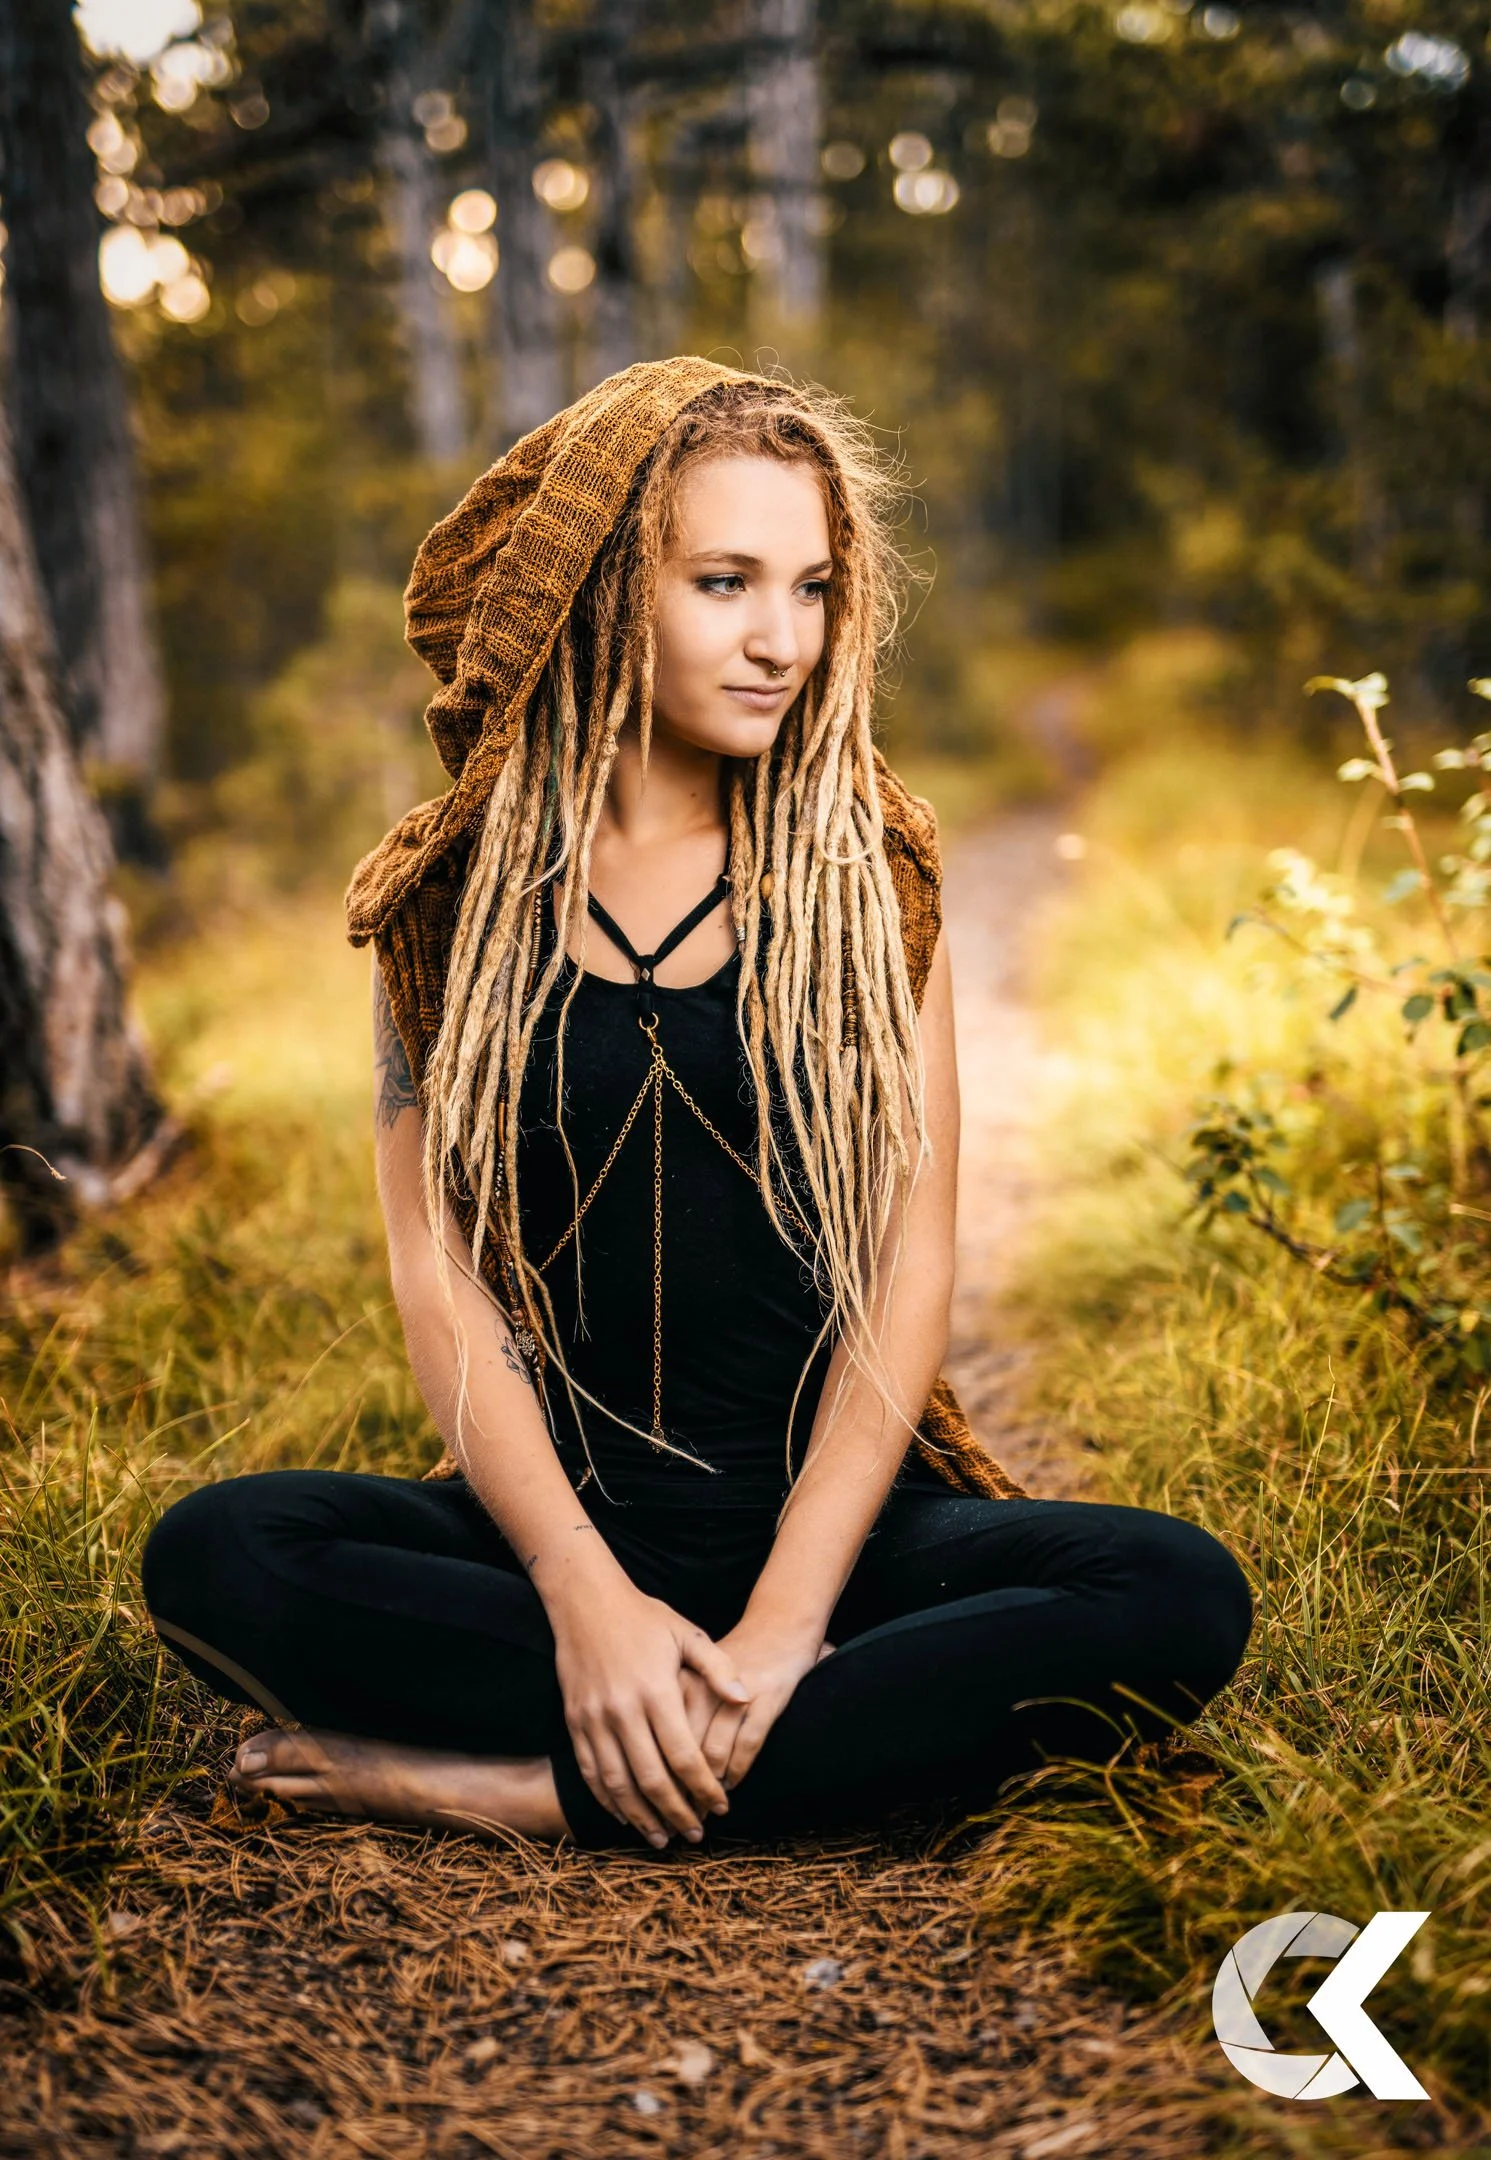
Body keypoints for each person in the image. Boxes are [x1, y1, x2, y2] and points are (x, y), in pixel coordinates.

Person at [142, 358, 1251, 1854]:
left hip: (835, 1544)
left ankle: (529, 1787)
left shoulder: (871, 875)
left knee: (1176, 1592)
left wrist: (789, 1618)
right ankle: (788, 1730)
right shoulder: (451, 898)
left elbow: (908, 1268)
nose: (780, 639)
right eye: (725, 582)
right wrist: (584, 1597)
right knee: (220, 1557)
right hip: (559, 1529)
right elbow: (439, 1274)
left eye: (812, 589)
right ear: (608, 587)